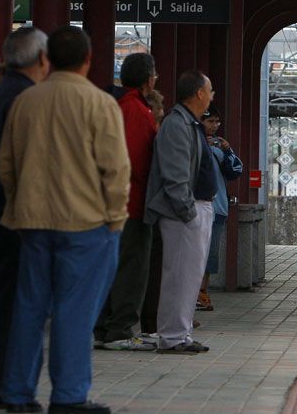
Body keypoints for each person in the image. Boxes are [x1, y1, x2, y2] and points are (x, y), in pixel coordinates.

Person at [0, 27, 130, 414]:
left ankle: (18, 394)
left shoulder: (25, 102)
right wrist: (115, 218)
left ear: (47, 59)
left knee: (29, 308)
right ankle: (69, 396)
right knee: (75, 311)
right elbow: (116, 169)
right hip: (87, 224)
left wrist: (18, 205)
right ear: (88, 59)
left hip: (33, 223)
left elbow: (5, 165)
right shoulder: (99, 103)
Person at [0, 27, 49, 409]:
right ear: (41, 59)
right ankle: (2, 385)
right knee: (14, 301)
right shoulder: (23, 98)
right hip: (14, 214)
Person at [145, 69, 215, 354]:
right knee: (179, 274)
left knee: (190, 275)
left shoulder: (189, 123)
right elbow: (175, 174)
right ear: (199, 93)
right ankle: (172, 335)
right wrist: (188, 212)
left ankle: (181, 332)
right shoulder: (177, 124)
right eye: (210, 91)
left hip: (195, 208)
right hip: (184, 213)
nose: (211, 96)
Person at [94, 52, 159, 351]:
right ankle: (120, 328)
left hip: (116, 201)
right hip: (131, 202)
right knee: (132, 267)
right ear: (148, 80)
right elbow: (133, 161)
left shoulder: (121, 105)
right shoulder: (134, 109)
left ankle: (105, 326)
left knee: (113, 265)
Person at [197, 108, 242, 312]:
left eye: (217, 122)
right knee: (197, 252)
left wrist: (227, 150)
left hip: (218, 207)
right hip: (198, 206)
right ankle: (194, 293)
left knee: (211, 253)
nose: (214, 126)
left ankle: (202, 291)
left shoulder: (219, 146)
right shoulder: (194, 141)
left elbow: (236, 171)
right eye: (210, 122)